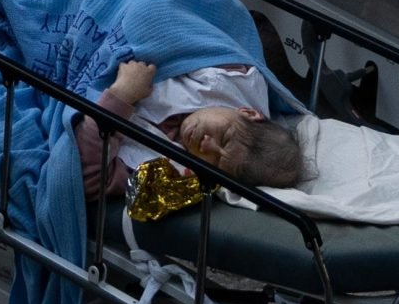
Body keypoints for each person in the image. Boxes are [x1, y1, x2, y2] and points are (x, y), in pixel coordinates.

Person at [76, 57, 302, 199]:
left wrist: (121, 96)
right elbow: (192, 19)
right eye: (224, 138)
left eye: (214, 162)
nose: (206, 145)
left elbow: (89, 180)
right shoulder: (230, 75)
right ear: (248, 113)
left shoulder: (166, 172)